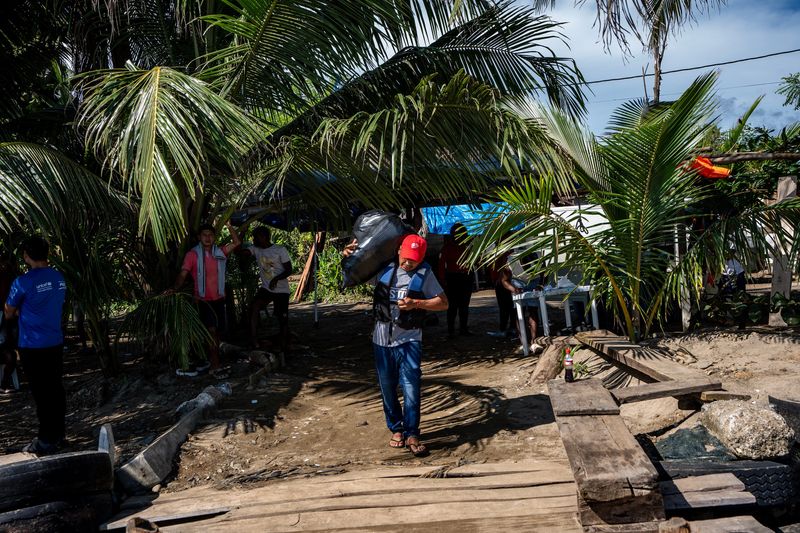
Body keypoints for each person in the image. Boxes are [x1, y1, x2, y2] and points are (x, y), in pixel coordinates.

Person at [344, 234, 448, 457]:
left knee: (411, 387)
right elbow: (354, 275)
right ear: (399, 250)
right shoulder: (383, 270)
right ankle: (396, 428)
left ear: (421, 259)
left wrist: (417, 303)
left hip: (410, 338)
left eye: (414, 260)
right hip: (381, 339)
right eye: (406, 258)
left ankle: (412, 433)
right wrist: (348, 257)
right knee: (387, 388)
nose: (408, 263)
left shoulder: (425, 274)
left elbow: (443, 303)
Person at [4, 237, 67, 455]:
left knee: (42, 394)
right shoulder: (58, 277)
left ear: (26, 256)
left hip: (32, 345)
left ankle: (45, 440)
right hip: (55, 341)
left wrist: (22, 311)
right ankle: (59, 434)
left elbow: (8, 312)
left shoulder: (22, 282)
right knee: (55, 390)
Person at [170, 221, 241, 377]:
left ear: (214, 237)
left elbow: (237, 242)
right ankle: (215, 367)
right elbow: (183, 274)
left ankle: (205, 362)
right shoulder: (193, 255)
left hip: (219, 299)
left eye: (210, 235)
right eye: (204, 235)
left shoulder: (220, 252)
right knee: (212, 333)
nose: (208, 238)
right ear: (199, 237)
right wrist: (174, 289)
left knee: (215, 334)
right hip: (203, 301)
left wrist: (229, 226)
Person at [240, 226, 292, 351]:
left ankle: (283, 346)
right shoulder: (256, 249)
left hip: (282, 290)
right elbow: (240, 252)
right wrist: (241, 233)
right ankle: (254, 341)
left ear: (263, 237)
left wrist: (275, 279)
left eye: (255, 237)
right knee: (254, 307)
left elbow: (289, 270)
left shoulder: (280, 250)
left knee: (282, 318)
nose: (254, 239)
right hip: (266, 288)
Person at [438, 223, 474, 338]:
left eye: (461, 233)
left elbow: (475, 261)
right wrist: (443, 281)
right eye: (456, 233)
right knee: (452, 306)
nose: (458, 236)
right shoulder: (447, 247)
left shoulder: (468, 247)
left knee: (464, 305)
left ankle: (463, 329)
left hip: (466, 278)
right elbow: (441, 266)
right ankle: (451, 331)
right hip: (452, 278)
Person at [0, 257, 18, 393]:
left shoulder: (14, 278)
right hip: (8, 317)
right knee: (9, 352)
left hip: (9, 317)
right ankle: (5, 382)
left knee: (9, 351)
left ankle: (5, 382)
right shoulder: (12, 277)